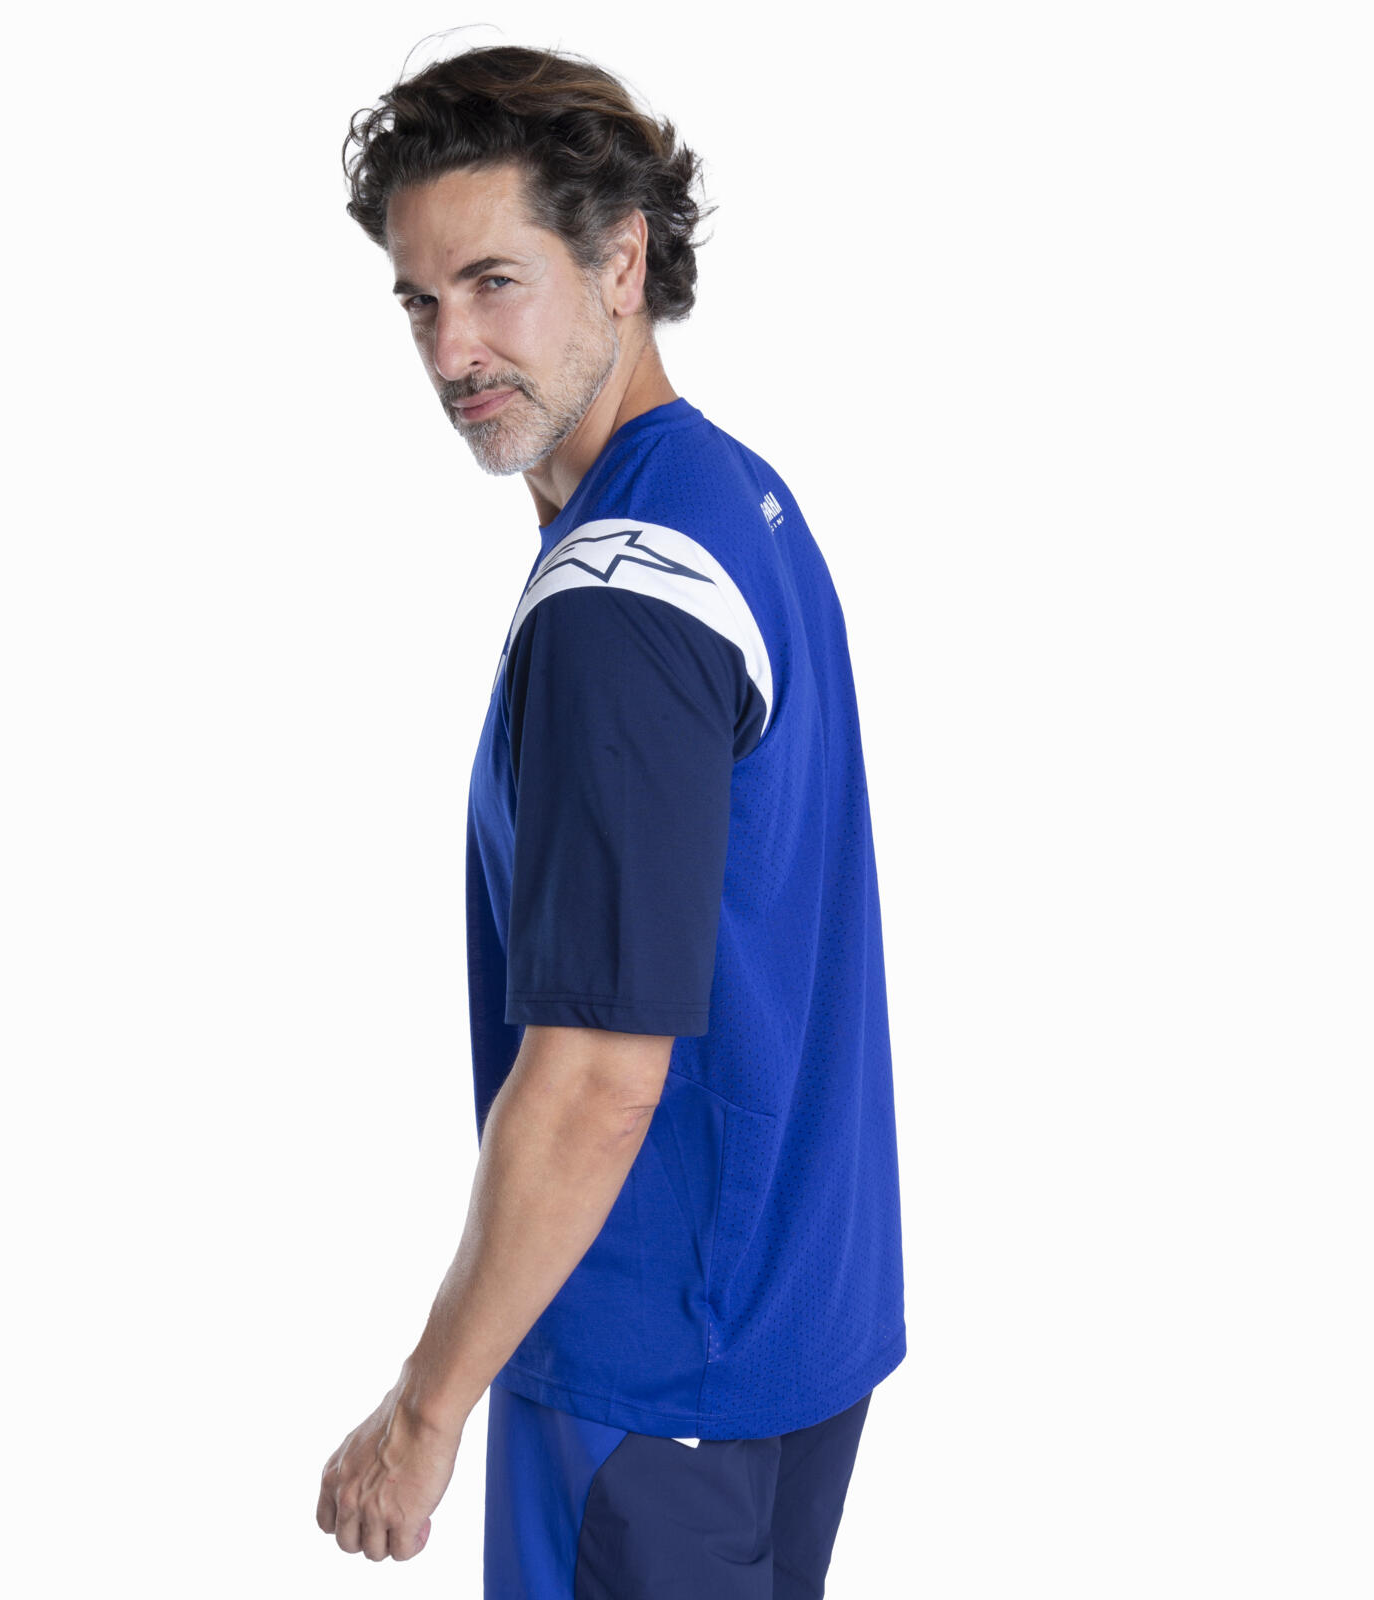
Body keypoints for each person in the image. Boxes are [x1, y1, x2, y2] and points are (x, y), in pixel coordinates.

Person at [322, 41, 907, 1595]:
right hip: (788, 1323)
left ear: (623, 265)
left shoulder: (620, 601)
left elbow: (593, 1076)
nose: (453, 350)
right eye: (419, 301)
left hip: (650, 1377)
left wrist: (424, 1411)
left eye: (494, 283)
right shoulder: (729, 495)